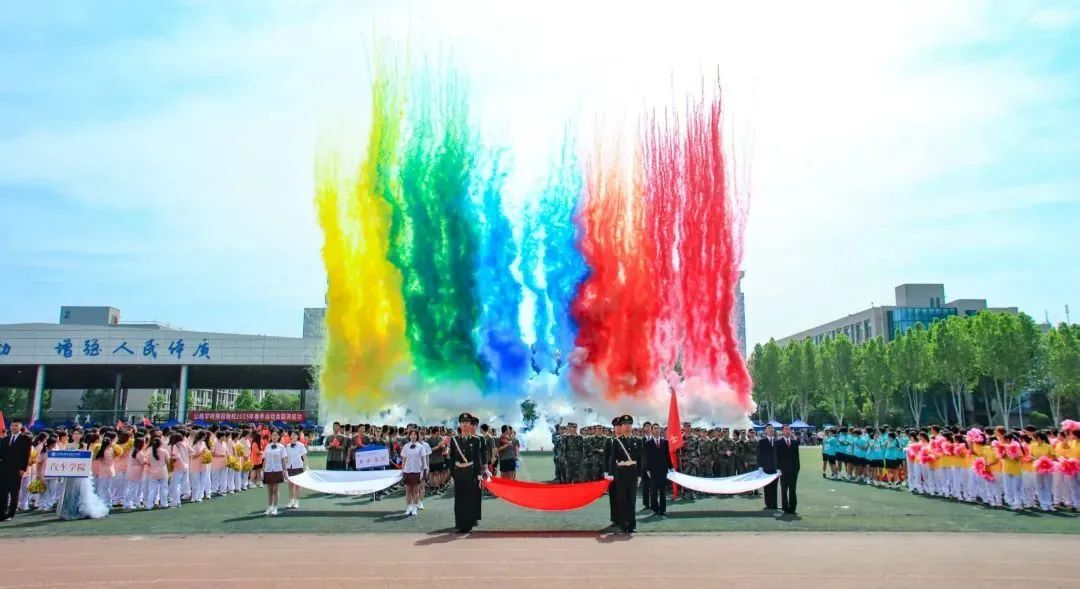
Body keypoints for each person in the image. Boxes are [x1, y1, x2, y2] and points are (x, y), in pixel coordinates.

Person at [605, 414, 642, 534]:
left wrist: (640, 475)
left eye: (629, 424)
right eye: (624, 424)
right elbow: (612, 458)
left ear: (631, 426)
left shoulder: (638, 441)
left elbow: (641, 459)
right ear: (621, 426)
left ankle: (631, 525)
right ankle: (622, 525)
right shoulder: (617, 441)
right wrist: (611, 473)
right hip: (621, 473)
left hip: (633, 473)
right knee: (622, 499)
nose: (627, 426)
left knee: (632, 500)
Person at [450, 412, 486, 533]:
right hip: (458, 472)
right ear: (460, 425)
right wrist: (452, 474)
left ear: (470, 425)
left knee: (469, 498)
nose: (465, 425)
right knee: (459, 499)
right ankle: (460, 524)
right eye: (463, 423)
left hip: (470, 472)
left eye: (467, 423)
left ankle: (468, 524)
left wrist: (479, 474)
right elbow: (452, 459)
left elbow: (477, 458)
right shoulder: (454, 440)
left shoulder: (476, 440)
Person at [643, 422, 671, 516]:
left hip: (663, 470)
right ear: (652, 430)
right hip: (653, 471)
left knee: (663, 491)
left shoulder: (665, 442)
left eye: (658, 428)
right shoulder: (647, 443)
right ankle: (655, 509)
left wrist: (671, 467)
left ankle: (663, 510)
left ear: (660, 430)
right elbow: (646, 457)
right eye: (655, 428)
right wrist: (647, 470)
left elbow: (668, 456)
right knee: (654, 492)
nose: (657, 430)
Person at [400, 430, 429, 516]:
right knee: (408, 491)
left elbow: (423, 460)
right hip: (407, 471)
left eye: (415, 435)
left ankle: (414, 508)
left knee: (416, 491)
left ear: (417, 436)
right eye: (411, 434)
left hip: (417, 471)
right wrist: (402, 470)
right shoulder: (406, 446)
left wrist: (423, 471)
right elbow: (404, 459)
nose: (413, 436)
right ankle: (408, 508)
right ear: (409, 436)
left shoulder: (421, 447)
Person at [776, 424, 801, 514]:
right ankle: (785, 507)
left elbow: (797, 456)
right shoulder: (778, 442)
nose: (788, 431)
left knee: (792, 489)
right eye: (786, 429)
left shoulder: (794, 442)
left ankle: (792, 507)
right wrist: (778, 469)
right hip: (783, 470)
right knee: (784, 489)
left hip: (793, 470)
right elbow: (777, 457)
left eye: (789, 429)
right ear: (782, 431)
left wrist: (798, 468)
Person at [262, 430, 287, 516]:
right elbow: (265, 459)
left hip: (278, 469)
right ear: (271, 436)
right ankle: (269, 507)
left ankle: (275, 508)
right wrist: (262, 471)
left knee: (275, 490)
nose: (274, 436)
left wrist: (285, 471)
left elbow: (283, 460)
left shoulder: (281, 447)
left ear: (279, 436)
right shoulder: (267, 446)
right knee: (269, 490)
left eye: (276, 435)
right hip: (268, 470)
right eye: (273, 435)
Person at [757, 423, 779, 510]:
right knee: (767, 486)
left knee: (774, 486)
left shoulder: (778, 441)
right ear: (765, 431)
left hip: (776, 468)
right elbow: (759, 455)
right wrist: (760, 466)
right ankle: (768, 504)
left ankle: (774, 504)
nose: (770, 429)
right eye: (768, 428)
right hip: (766, 467)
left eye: (772, 428)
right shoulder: (762, 442)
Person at [284, 431, 308, 509]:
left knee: (297, 486)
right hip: (289, 467)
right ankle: (291, 502)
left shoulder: (301, 445)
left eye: (295, 435)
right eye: (292, 434)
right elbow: (285, 458)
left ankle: (296, 502)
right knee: (290, 485)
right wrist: (284, 468)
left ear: (298, 436)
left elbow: (304, 457)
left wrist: (305, 466)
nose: (293, 436)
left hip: (298, 467)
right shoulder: (287, 446)